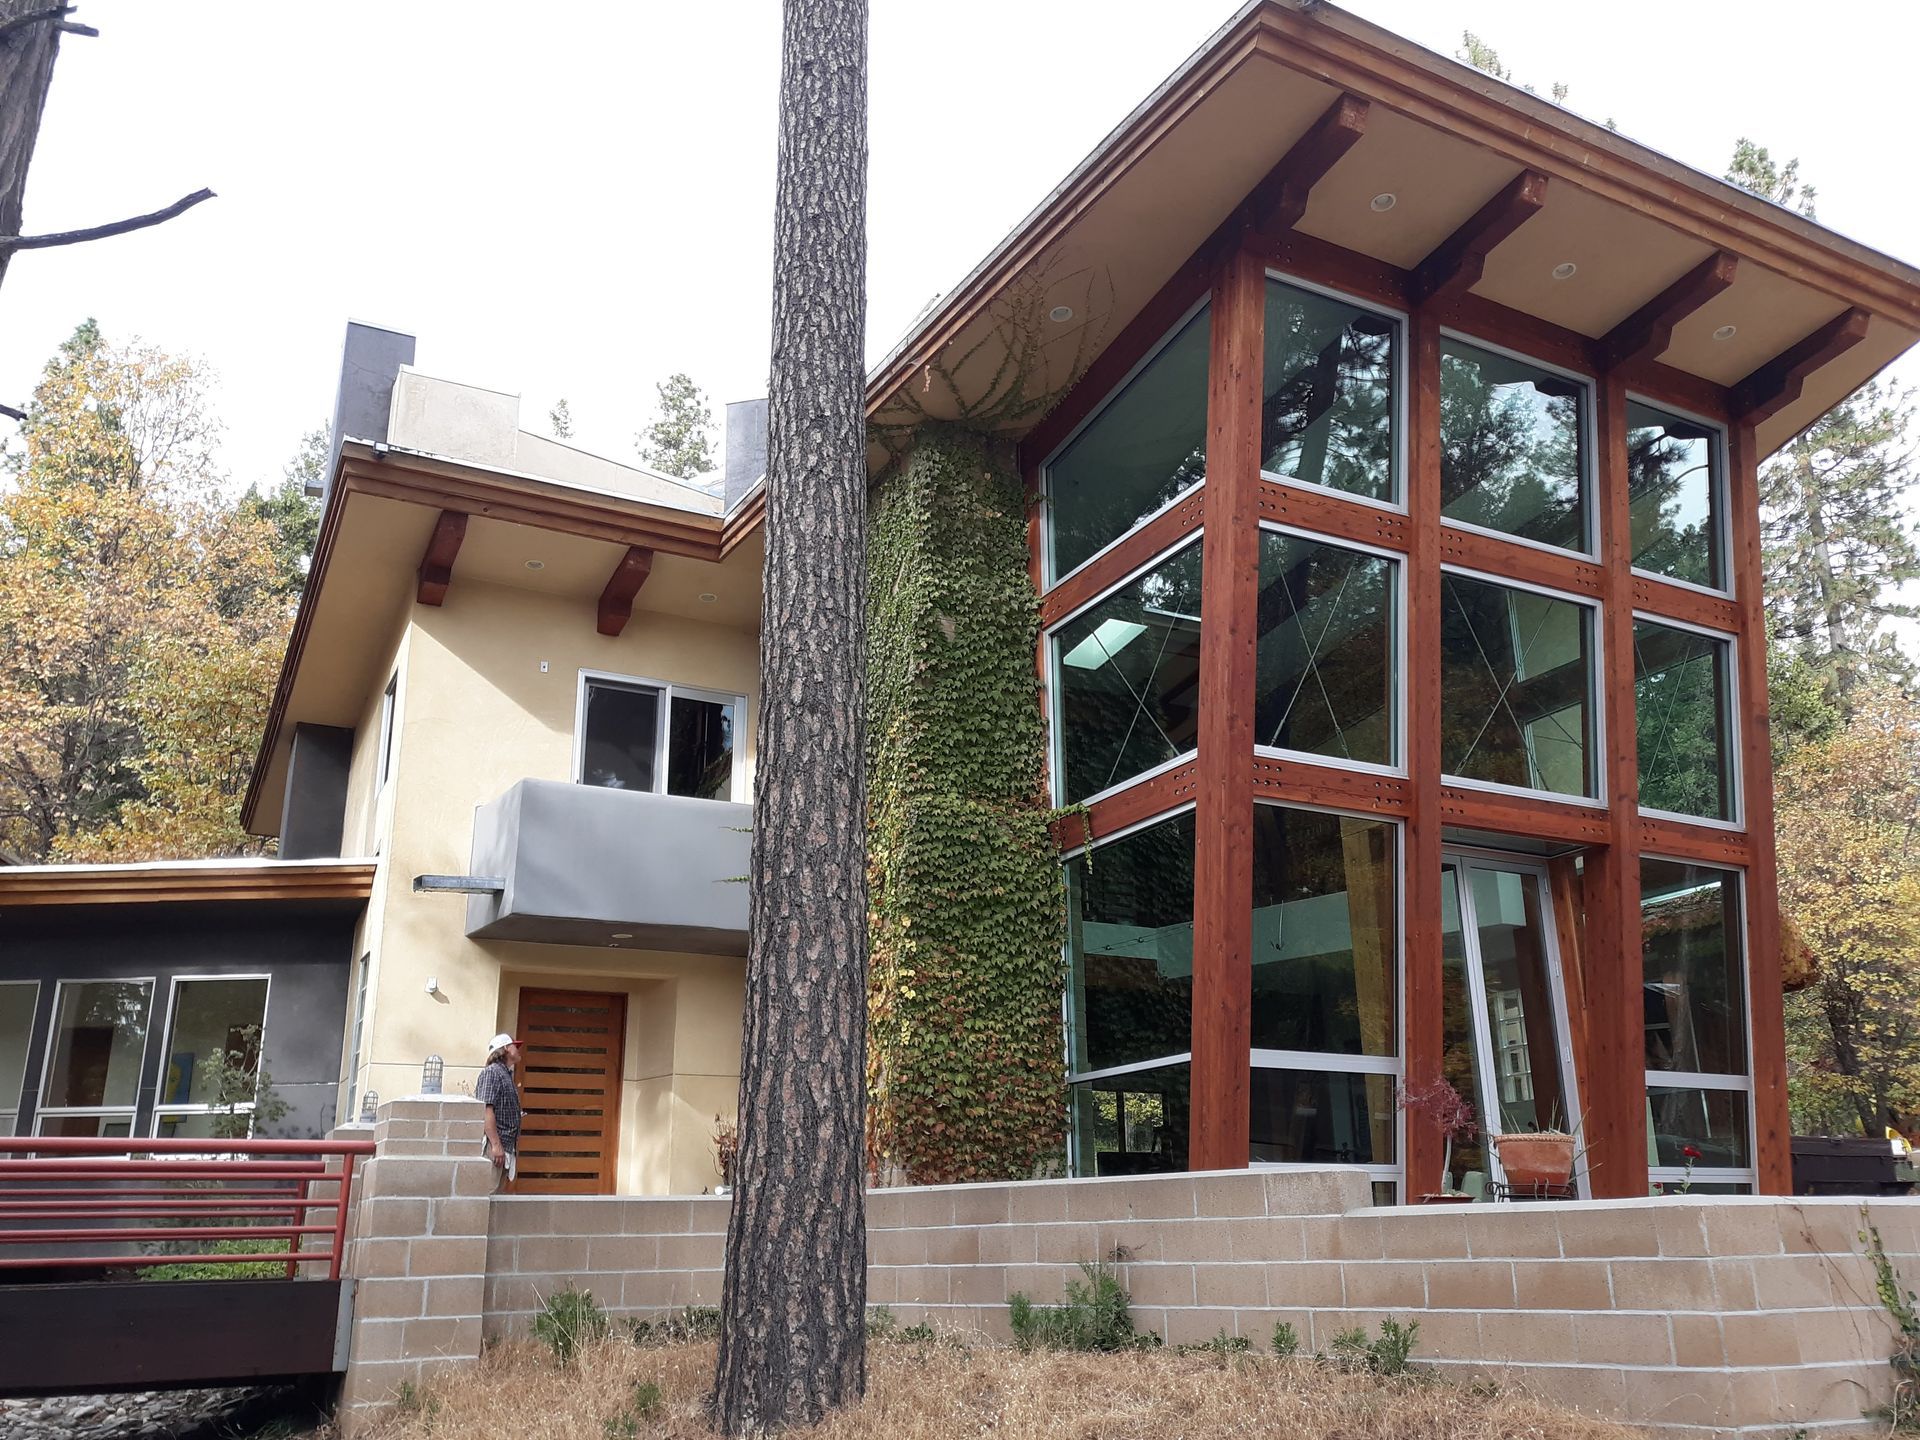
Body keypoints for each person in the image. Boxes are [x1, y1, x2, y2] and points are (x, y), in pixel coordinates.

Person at [476, 1032, 522, 1193]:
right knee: (488, 1193)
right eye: (515, 1046)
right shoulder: (493, 1073)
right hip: (495, 1147)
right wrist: (496, 1145)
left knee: (497, 1195)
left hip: (504, 1147)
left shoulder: (505, 1074)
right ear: (506, 1049)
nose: (518, 1049)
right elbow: (486, 1109)